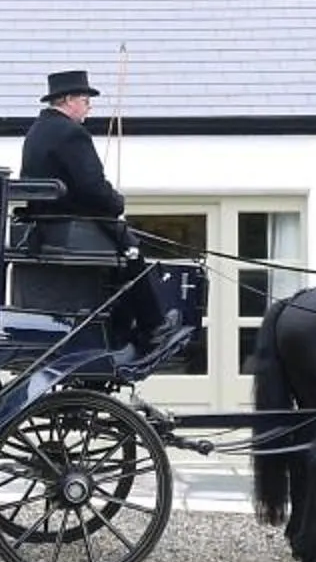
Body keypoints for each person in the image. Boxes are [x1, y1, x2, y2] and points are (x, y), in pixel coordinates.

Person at [18, 67, 188, 359]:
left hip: (44, 226)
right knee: (131, 251)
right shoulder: (72, 133)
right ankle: (153, 326)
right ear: (68, 100)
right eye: (85, 100)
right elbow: (92, 187)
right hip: (73, 225)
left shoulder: (37, 132)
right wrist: (117, 202)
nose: (89, 107)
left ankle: (125, 328)